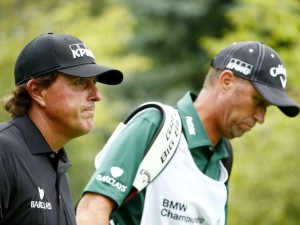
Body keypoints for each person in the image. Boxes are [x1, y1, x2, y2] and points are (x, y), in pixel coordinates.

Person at [76, 41, 299, 225]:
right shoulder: (155, 125)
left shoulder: (223, 159)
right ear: (226, 81)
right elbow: (90, 212)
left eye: (266, 108)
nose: (261, 117)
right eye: (258, 101)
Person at [0, 33, 123, 225]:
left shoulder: (57, 164)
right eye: (79, 82)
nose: (96, 95)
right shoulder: (3, 152)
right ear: (37, 91)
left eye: (95, 83)